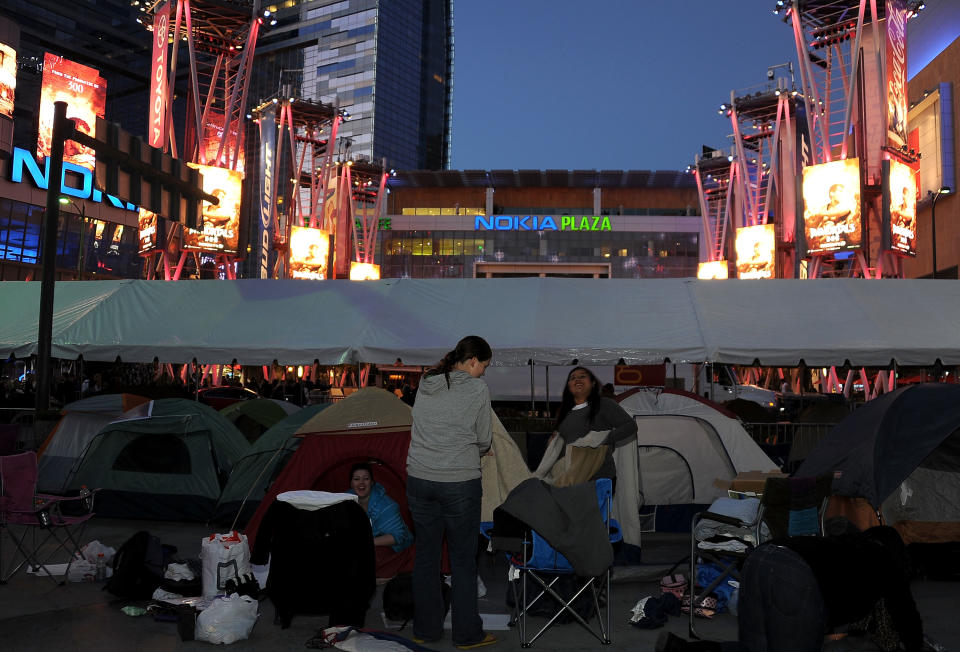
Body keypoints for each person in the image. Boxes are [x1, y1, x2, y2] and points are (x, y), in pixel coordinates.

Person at [655, 525, 925, 652]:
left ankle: (683, 650)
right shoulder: (884, 559)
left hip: (758, 559)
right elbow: (906, 615)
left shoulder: (844, 546)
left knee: (756, 649)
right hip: (792, 574)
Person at [406, 335, 497, 649]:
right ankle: (467, 634)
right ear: (473, 360)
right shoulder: (476, 389)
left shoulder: (426, 382)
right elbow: (484, 439)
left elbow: (419, 424)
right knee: (462, 561)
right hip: (459, 481)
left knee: (427, 558)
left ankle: (426, 630)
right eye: (483, 366)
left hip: (419, 478)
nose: (483, 373)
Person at [551, 366, 638, 487]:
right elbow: (562, 442)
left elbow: (630, 426)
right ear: (568, 386)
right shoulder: (564, 411)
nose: (577, 380)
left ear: (592, 383)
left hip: (599, 478)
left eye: (582, 376)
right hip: (568, 478)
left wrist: (600, 439)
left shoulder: (605, 404)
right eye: (572, 378)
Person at [348, 462, 414, 581]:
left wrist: (365, 542)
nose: (361, 483)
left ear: (372, 482)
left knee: (369, 556)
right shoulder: (346, 500)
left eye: (366, 479)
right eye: (356, 479)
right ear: (351, 483)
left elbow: (398, 536)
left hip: (392, 547)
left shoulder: (386, 505)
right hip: (362, 541)